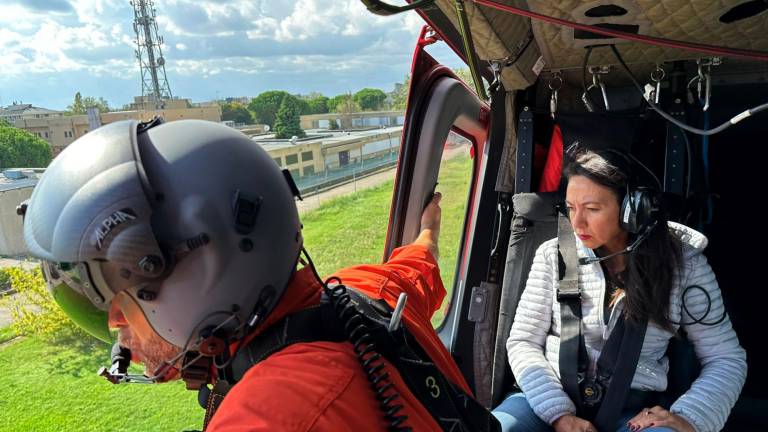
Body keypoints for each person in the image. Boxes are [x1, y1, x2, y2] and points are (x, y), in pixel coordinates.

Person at [22, 118, 498, 431]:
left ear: (201, 278)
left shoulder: (272, 415)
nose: (113, 326)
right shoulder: (365, 289)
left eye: (120, 302)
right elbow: (420, 263)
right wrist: (428, 227)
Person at [491, 146, 746, 432]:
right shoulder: (553, 255)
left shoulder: (684, 265)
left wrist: (691, 418)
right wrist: (558, 413)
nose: (576, 223)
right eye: (571, 208)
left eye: (592, 209)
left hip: (633, 413)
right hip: (545, 401)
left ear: (632, 211)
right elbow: (523, 341)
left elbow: (726, 358)